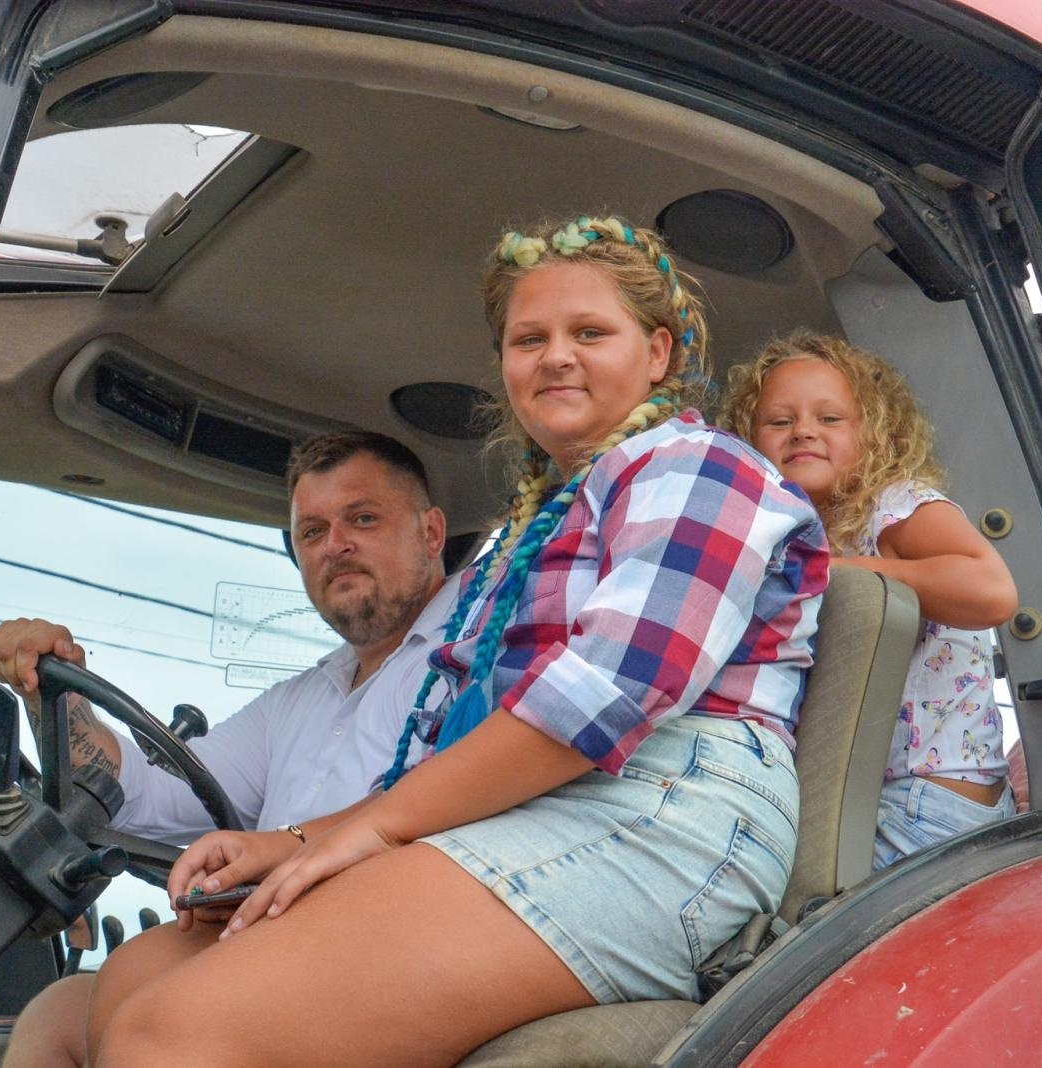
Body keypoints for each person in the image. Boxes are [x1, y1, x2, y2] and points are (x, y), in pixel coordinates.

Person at [82, 215, 829, 1066]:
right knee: (137, 977)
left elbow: (598, 699)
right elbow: (454, 736)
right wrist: (299, 840)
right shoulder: (536, 523)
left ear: (657, 353)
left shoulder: (700, 469)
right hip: (539, 806)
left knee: (172, 1033)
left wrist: (367, 831)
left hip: (668, 813)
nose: (555, 356)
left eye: (590, 332)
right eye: (528, 338)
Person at [0, 430, 457, 1068]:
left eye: (363, 519)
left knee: (162, 1031)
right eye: (311, 533)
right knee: (60, 1012)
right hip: (269, 942)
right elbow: (150, 795)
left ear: (431, 533)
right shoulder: (301, 698)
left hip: (393, 946)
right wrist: (54, 689)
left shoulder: (480, 650)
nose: (335, 545)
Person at [720, 330, 1018, 870]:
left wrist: (843, 570)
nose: (803, 431)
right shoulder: (786, 538)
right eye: (779, 421)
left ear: (876, 435)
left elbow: (991, 590)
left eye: (829, 419)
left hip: (928, 800)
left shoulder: (892, 506)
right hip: (864, 797)